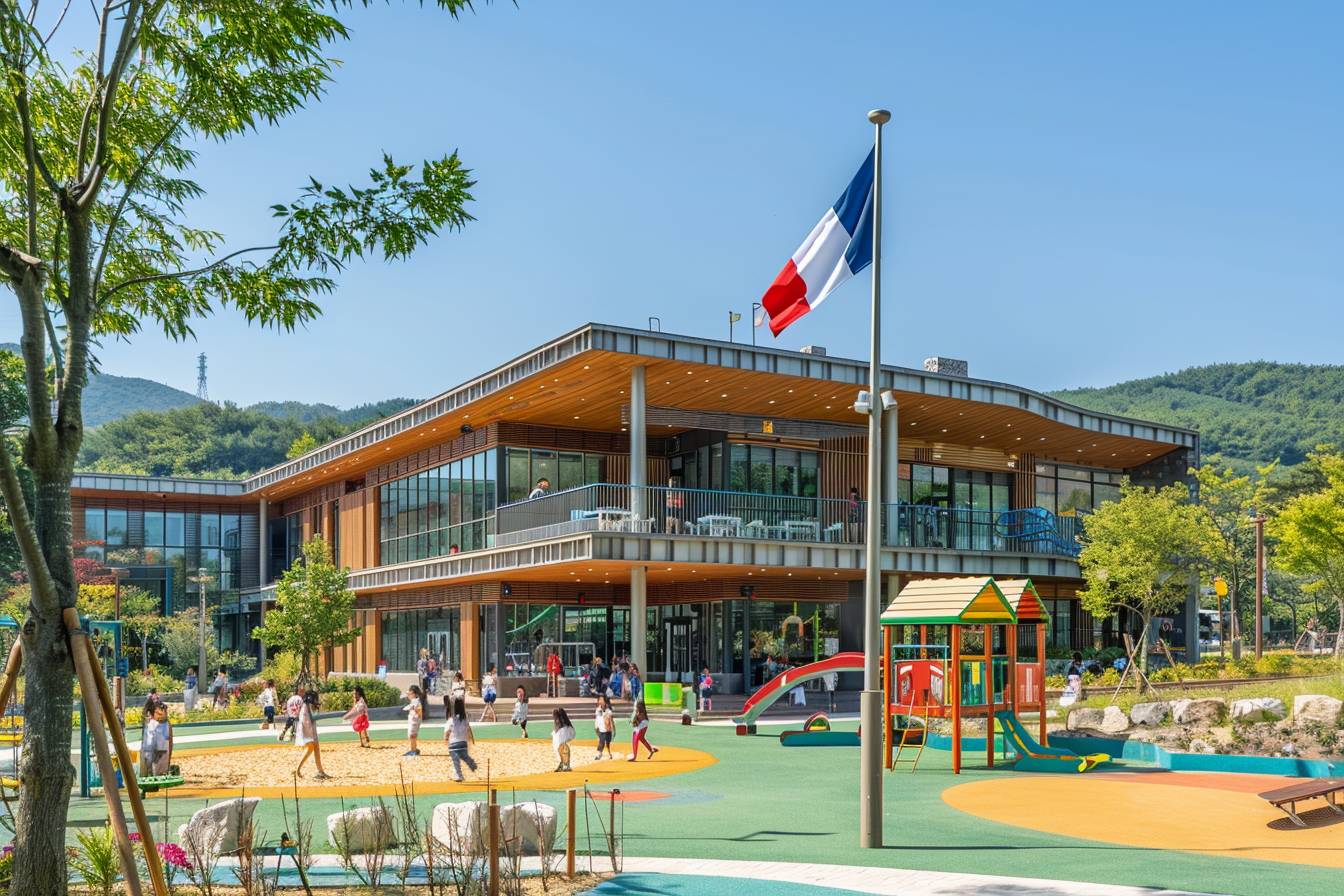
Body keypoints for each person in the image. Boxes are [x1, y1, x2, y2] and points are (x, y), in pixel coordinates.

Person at [295, 690, 330, 779]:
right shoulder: (306, 707)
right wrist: (311, 736)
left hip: (309, 731)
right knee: (313, 749)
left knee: (312, 749)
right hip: (308, 732)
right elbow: (307, 721)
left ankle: (300, 769)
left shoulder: (306, 706)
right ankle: (319, 771)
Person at [444, 697, 478, 782]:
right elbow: (469, 731)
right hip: (463, 743)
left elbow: (446, 732)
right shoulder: (465, 720)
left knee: (456, 761)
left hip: (453, 744)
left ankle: (458, 775)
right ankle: (470, 762)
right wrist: (471, 740)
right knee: (463, 755)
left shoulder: (451, 720)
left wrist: (445, 740)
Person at [551, 707, 576, 772]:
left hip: (559, 741)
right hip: (562, 740)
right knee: (564, 752)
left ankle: (563, 765)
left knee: (562, 752)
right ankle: (565, 765)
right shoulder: (565, 722)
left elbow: (556, 732)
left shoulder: (558, 722)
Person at [403, 685, 424, 757]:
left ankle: (413, 750)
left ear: (414, 694)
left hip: (415, 721)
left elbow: (419, 710)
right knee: (411, 735)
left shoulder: (416, 701)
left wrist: (417, 715)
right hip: (413, 720)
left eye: (410, 694)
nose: (408, 695)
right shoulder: (414, 700)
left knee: (412, 735)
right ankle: (414, 749)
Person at [594, 694, 615, 760]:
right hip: (600, 729)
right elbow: (597, 719)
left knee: (605, 742)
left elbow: (611, 721)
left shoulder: (608, 711)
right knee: (601, 741)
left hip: (607, 729)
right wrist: (596, 727)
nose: (600, 701)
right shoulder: (598, 710)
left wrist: (614, 730)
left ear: (605, 701)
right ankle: (601, 754)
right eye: (599, 700)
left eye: (601, 700)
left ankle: (603, 754)